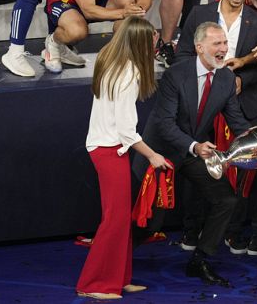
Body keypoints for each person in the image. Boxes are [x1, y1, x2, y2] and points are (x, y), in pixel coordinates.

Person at [134, 21, 252, 287]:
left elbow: (237, 122)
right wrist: (195, 146)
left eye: (225, 43)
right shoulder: (176, 74)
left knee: (225, 200)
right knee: (150, 222)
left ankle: (200, 260)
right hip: (160, 153)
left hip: (191, 151)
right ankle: (118, 260)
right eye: (217, 44)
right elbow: (164, 124)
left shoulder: (225, 78)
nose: (224, 49)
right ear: (200, 48)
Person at [75, 16, 170, 300]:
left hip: (104, 147)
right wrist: (153, 155)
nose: (156, 43)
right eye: (152, 39)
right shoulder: (129, 74)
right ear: (141, 42)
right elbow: (127, 132)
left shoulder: (111, 62)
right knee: (115, 220)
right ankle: (93, 284)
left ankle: (119, 278)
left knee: (119, 219)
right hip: (110, 149)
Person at [175, 0, 257, 124]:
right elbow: (182, 55)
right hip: (199, 100)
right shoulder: (199, 14)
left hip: (243, 104)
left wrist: (242, 80)